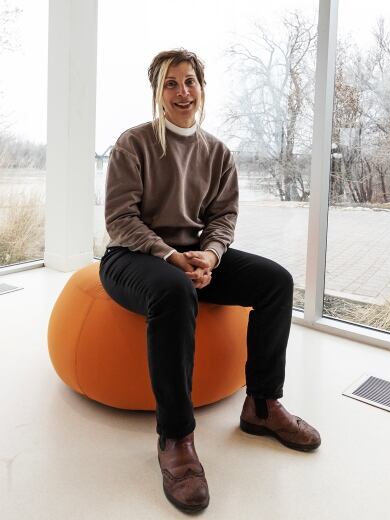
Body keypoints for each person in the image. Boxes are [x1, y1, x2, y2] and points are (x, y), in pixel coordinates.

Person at [99, 48, 320, 513]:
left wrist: (211, 255)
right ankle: (175, 437)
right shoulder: (133, 143)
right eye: (171, 84)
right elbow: (120, 220)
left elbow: (223, 217)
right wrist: (170, 255)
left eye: (190, 82)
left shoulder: (217, 152)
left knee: (275, 281)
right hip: (132, 257)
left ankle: (261, 406)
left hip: (192, 256)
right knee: (174, 290)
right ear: (157, 94)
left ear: (202, 88)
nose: (183, 92)